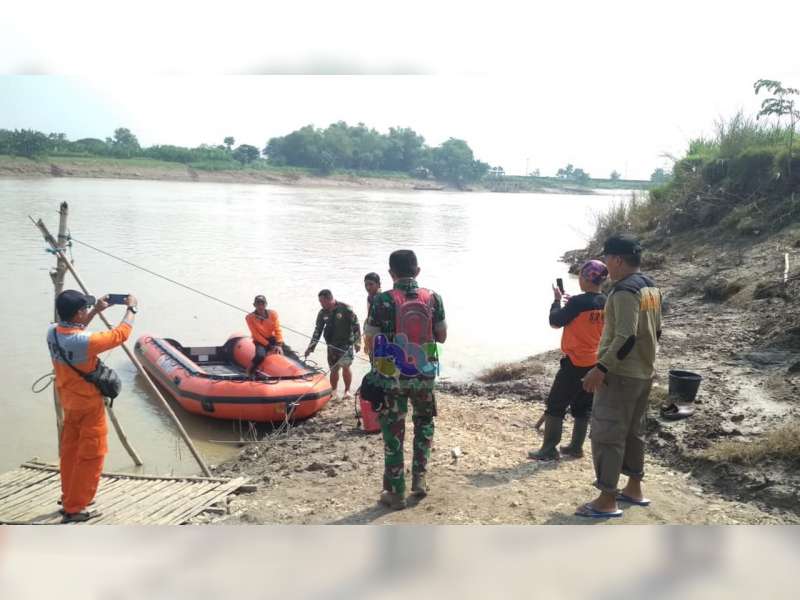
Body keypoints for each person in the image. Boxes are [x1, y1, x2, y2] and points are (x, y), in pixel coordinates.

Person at [576, 233, 662, 518]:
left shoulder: (624, 291)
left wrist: (600, 369)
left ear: (617, 259)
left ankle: (607, 499)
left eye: (606, 259)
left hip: (622, 374)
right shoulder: (650, 286)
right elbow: (656, 331)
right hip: (643, 372)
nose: (605, 266)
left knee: (607, 434)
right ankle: (634, 488)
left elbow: (625, 338)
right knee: (633, 431)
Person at [363, 249, 447, 510]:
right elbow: (441, 337)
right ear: (417, 271)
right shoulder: (434, 298)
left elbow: (371, 342)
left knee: (394, 431)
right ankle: (419, 480)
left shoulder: (382, 301)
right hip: (424, 374)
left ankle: (396, 491)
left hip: (393, 377)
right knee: (424, 424)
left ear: (391, 274)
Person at [46, 289, 138, 523]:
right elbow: (120, 334)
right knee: (91, 455)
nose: (87, 311)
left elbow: (76, 332)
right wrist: (131, 309)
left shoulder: (52, 332)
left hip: (69, 402)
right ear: (77, 314)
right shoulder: (84, 341)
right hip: (88, 406)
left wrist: (96, 311)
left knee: (70, 453)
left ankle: (69, 496)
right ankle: (76, 507)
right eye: (85, 309)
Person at [529, 260, 608, 461]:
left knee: (556, 405)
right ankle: (575, 448)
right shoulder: (606, 301)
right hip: (594, 363)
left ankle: (548, 449)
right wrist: (571, 304)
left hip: (574, 362)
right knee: (582, 407)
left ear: (584, 278)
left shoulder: (577, 303)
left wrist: (556, 301)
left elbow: (555, 322)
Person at [304, 290, 361, 400]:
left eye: (322, 301)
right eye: (319, 301)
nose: (320, 303)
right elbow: (318, 330)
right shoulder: (322, 313)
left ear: (329, 299)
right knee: (333, 369)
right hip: (331, 345)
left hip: (346, 344)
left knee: (346, 366)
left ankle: (347, 391)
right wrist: (311, 347)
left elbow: (356, 326)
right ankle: (334, 391)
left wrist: (357, 343)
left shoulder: (345, 308)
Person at [245, 294, 292, 377]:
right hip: (259, 340)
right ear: (254, 305)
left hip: (272, 338)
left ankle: (301, 369)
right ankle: (249, 371)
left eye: (262, 304)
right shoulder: (249, 318)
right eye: (258, 304)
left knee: (288, 351)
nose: (260, 306)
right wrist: (269, 346)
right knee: (260, 356)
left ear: (266, 304)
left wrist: (279, 344)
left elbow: (277, 329)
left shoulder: (273, 314)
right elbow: (255, 335)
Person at [364, 272, 381, 359]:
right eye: (366, 284)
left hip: (379, 338)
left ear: (378, 284)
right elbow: (369, 317)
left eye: (371, 284)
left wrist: (368, 341)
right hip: (371, 335)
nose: (368, 287)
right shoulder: (370, 297)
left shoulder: (380, 299)